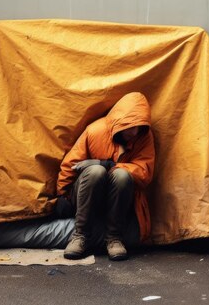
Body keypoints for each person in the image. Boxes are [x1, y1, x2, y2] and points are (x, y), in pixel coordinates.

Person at [56, 92, 155, 261]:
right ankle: (80, 236)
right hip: (87, 192)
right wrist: (62, 194)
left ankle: (114, 238)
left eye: (139, 126)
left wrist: (108, 165)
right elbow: (70, 164)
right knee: (95, 171)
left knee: (122, 175)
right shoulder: (96, 131)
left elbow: (144, 173)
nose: (134, 131)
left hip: (116, 196)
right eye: (130, 126)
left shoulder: (143, 137)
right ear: (119, 122)